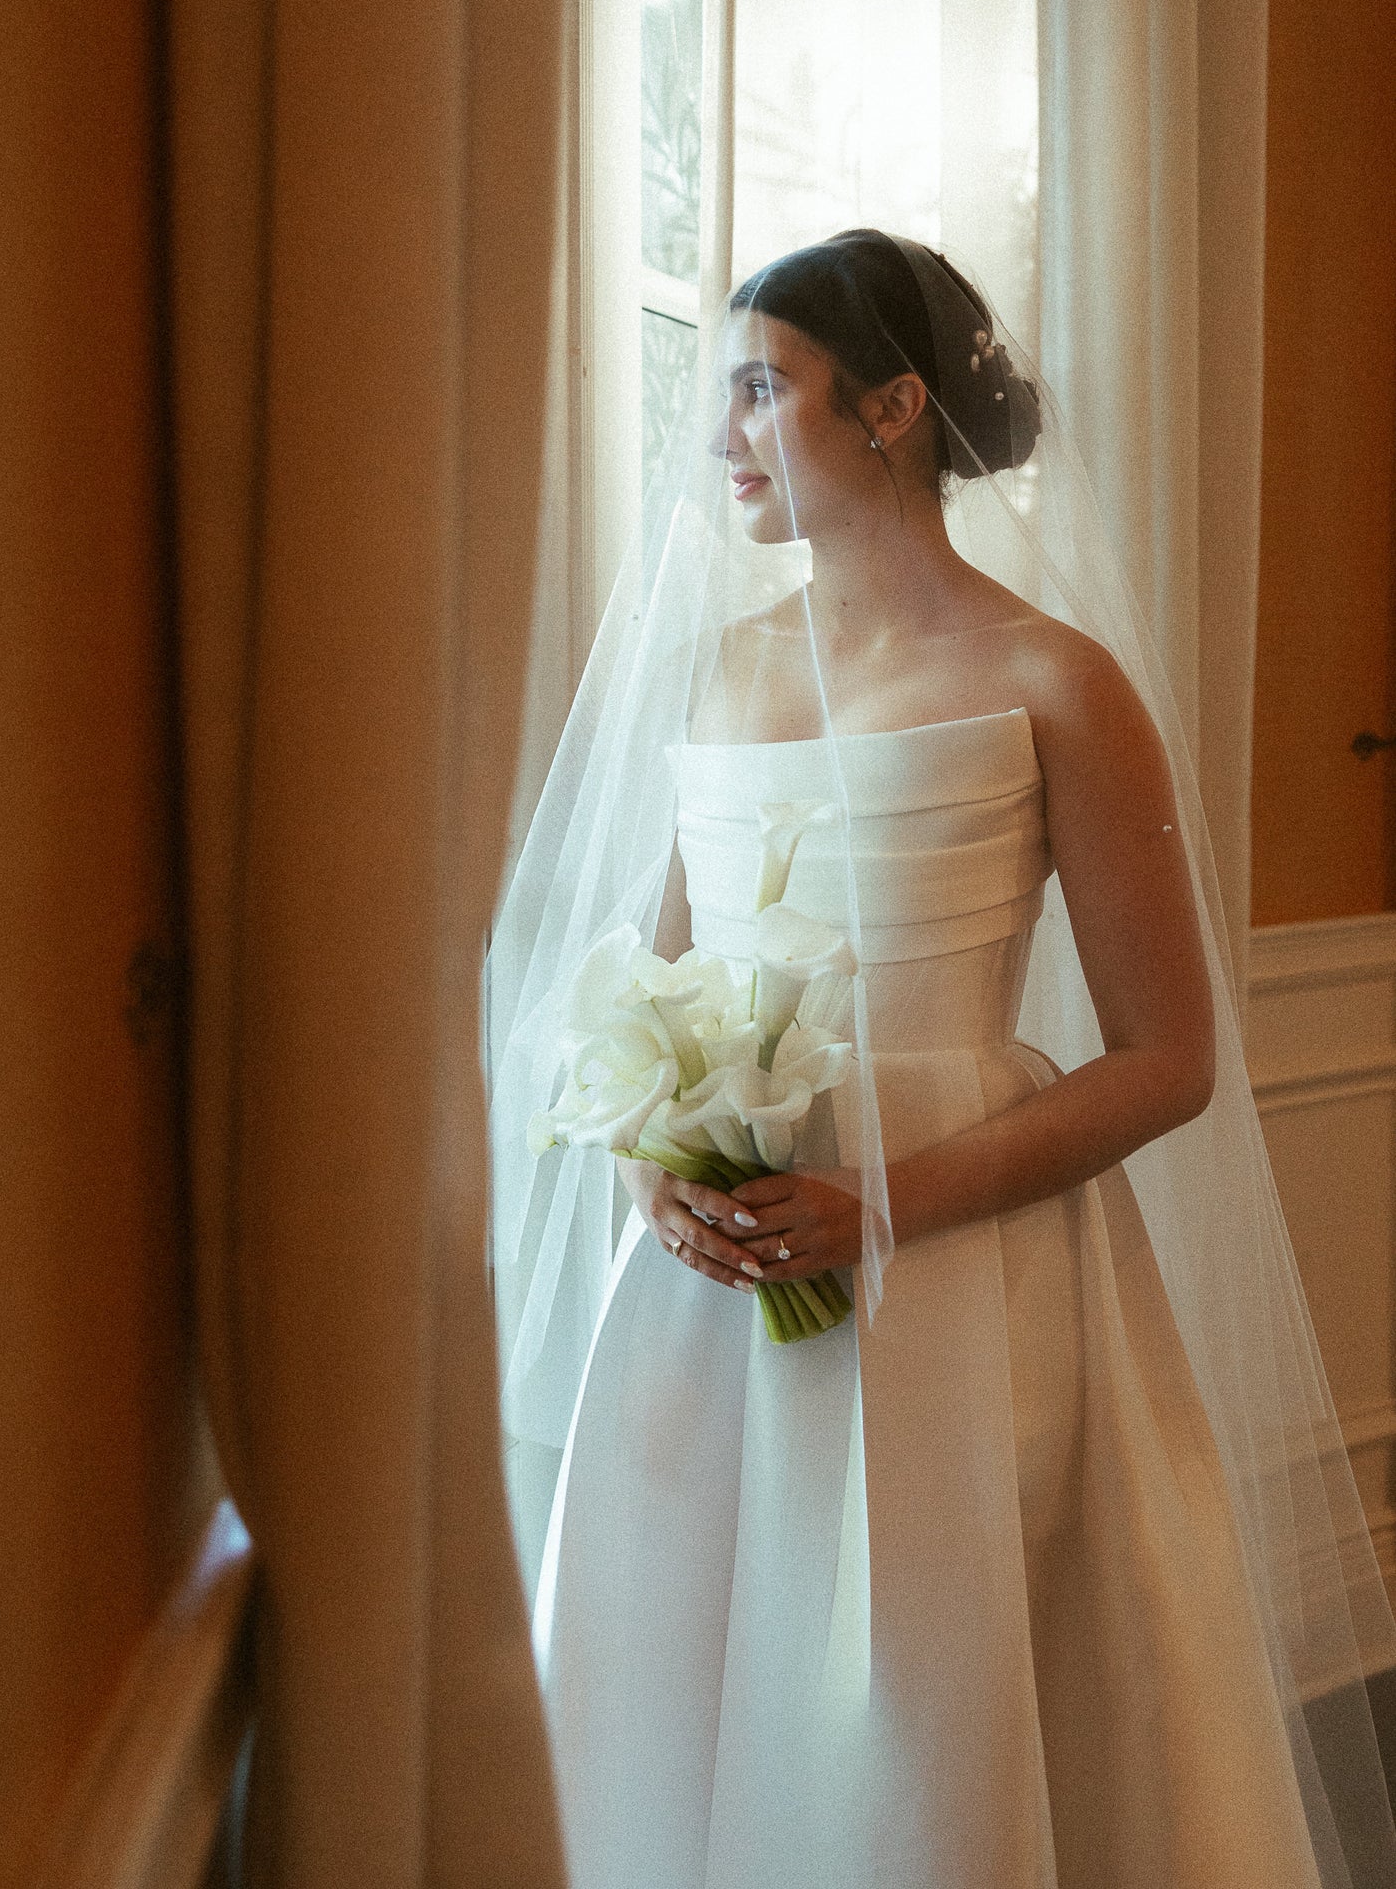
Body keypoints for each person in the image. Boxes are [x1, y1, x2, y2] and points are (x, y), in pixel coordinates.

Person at [487, 230, 1396, 1887]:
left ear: (892, 406)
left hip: (963, 1274)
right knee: (691, 1660)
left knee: (926, 1681)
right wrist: (649, 1161)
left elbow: (1167, 1058)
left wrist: (883, 1204)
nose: (720, 438)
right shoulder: (723, 670)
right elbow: (659, 979)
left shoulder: (1056, 684)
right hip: (720, 1272)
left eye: (761, 389)